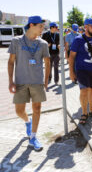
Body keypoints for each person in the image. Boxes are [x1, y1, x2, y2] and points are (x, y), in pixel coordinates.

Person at [8, 16, 50, 151]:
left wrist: (46, 81)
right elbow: (10, 61)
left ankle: (33, 137)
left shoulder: (43, 43)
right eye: (41, 26)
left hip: (37, 82)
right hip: (21, 82)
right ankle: (28, 122)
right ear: (32, 25)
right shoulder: (16, 41)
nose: (42, 29)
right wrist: (10, 81)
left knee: (37, 109)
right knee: (19, 111)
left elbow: (47, 62)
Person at [69, 18, 92, 125]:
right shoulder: (78, 40)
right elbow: (72, 57)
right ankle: (84, 113)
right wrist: (71, 72)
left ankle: (91, 111)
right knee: (84, 91)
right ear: (86, 27)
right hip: (81, 70)